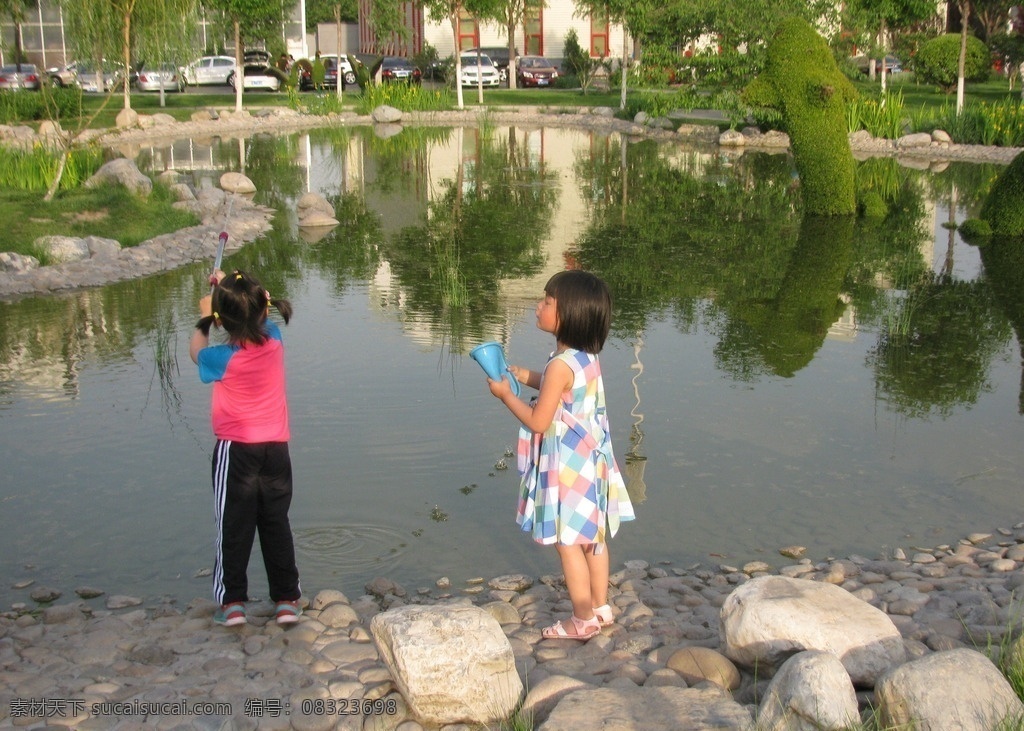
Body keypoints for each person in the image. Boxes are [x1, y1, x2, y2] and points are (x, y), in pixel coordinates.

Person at [486, 270, 635, 640]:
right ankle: (601, 607)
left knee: (568, 543)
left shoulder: (559, 365)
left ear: (566, 314)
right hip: (593, 464)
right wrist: (527, 375)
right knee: (593, 539)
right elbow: (565, 389)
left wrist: (507, 395)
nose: (538, 306)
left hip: (568, 468)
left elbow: (539, 422)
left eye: (547, 301)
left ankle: (581, 618)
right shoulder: (584, 358)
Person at [190, 268, 302, 627]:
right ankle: (286, 600)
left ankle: (233, 603)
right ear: (265, 309)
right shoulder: (275, 341)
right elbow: (258, 302)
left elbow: (196, 352)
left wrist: (205, 317)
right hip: (276, 450)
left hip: (235, 452)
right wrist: (228, 287)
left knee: (233, 526)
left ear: (223, 323)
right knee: (275, 523)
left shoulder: (220, 358)